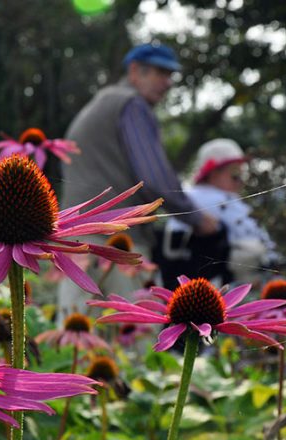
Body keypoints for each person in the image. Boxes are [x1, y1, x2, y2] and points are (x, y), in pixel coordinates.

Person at [56, 42, 219, 320]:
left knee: (72, 340)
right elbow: (155, 178)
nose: (167, 83)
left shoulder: (100, 104)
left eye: (170, 76)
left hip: (72, 240)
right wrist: (198, 219)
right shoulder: (132, 105)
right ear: (135, 71)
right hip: (120, 244)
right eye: (159, 72)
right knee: (136, 337)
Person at [160, 138, 277, 286]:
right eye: (235, 176)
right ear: (214, 174)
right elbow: (257, 237)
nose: (240, 181)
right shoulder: (216, 199)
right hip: (219, 284)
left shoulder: (187, 198)